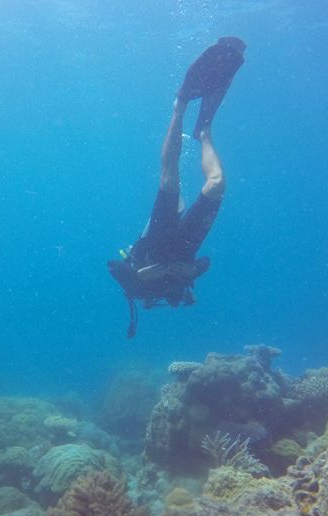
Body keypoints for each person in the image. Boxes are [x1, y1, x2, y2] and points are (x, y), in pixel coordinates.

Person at [108, 37, 246, 337]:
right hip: (185, 249)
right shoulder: (177, 287)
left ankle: (180, 106)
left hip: (155, 242)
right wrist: (194, 270)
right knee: (218, 184)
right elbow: (205, 262)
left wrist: (137, 275)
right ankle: (204, 130)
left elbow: (112, 266)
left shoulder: (137, 290)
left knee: (170, 178)